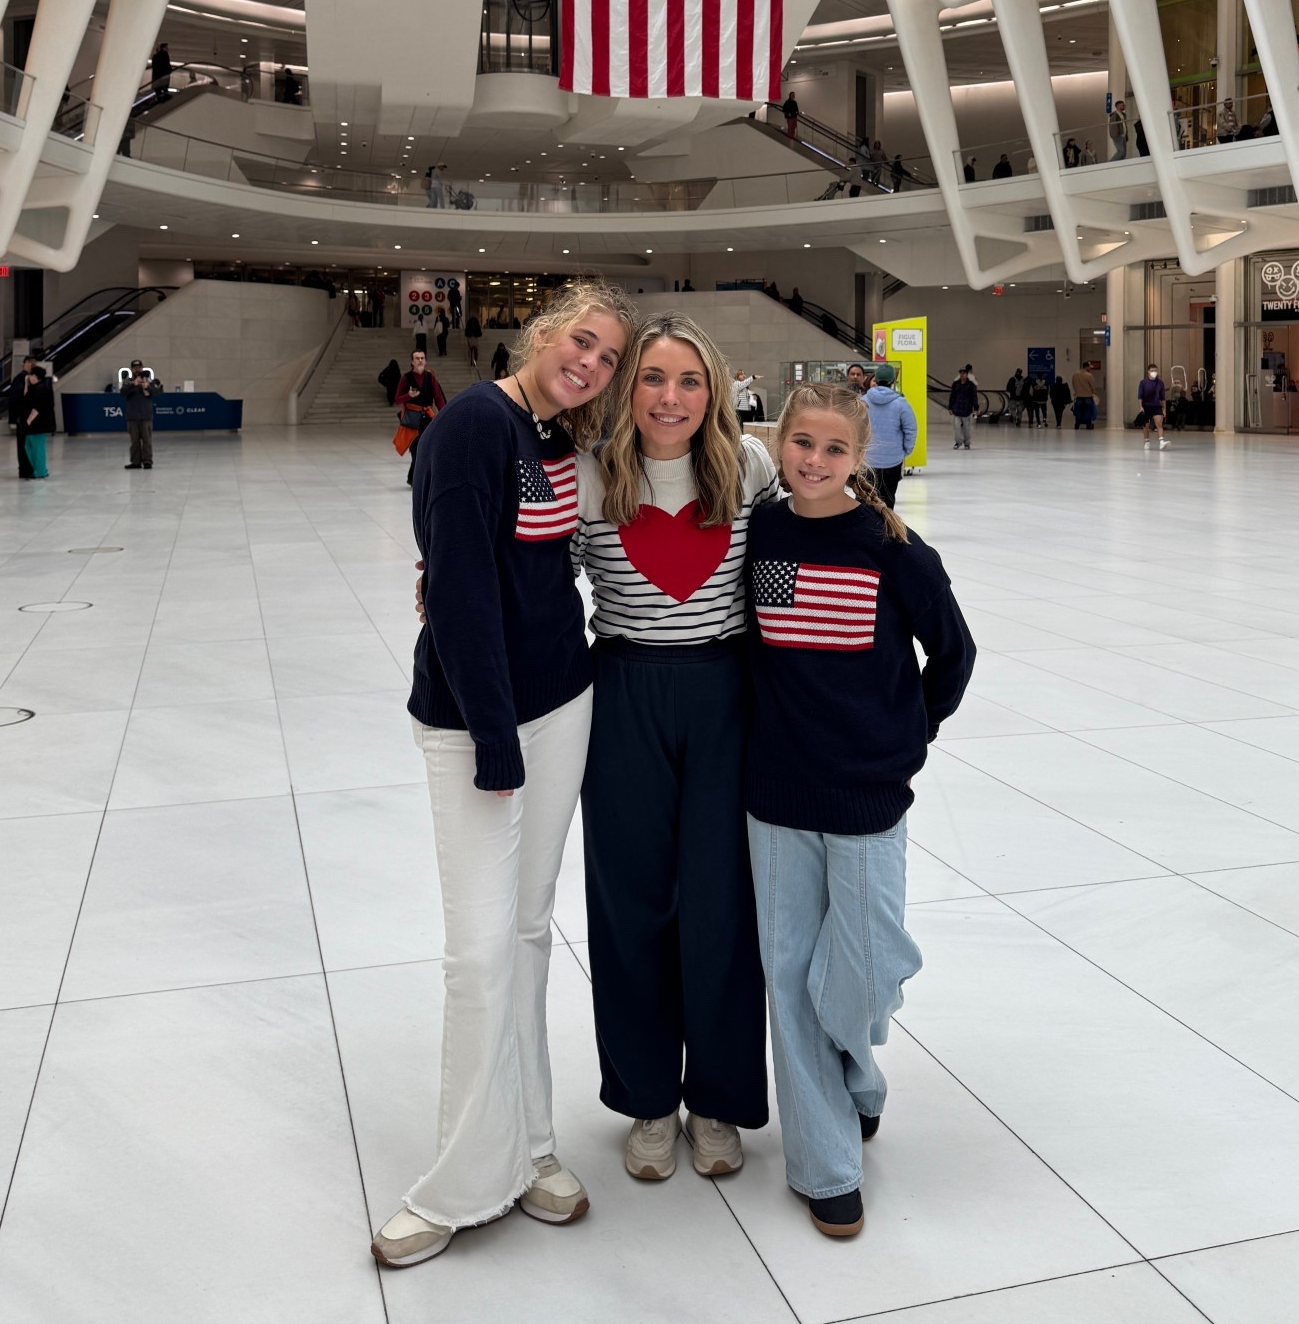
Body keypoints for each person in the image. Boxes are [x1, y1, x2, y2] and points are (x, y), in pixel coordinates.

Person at [373, 282, 636, 1271]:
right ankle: (458, 1180)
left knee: (527, 935)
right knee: (480, 951)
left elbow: (542, 569)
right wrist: (493, 736)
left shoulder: (556, 435)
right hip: (479, 721)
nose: (593, 365)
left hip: (564, 701)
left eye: (609, 357)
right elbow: (460, 591)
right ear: (543, 333)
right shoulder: (476, 425)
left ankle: (527, 1148)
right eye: (584, 342)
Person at [746, 384, 975, 1239]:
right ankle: (824, 1162)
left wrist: (911, 731)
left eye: (834, 449)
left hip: (868, 791)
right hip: (773, 792)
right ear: (781, 443)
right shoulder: (761, 532)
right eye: (801, 443)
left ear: (862, 456)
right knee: (789, 972)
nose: (813, 461)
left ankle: (856, 1071)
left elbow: (953, 651)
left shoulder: (892, 549)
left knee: (866, 959)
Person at [574, 315, 776, 1183]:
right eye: (652, 378)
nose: (670, 397)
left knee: (723, 901)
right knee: (629, 901)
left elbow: (810, 553)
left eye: (689, 380)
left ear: (716, 389)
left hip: (724, 693)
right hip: (624, 696)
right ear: (628, 390)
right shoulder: (590, 475)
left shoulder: (748, 468)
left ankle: (721, 1098)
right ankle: (648, 1097)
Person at [861, 364, 916, 508]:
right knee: (887, 499)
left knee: (864, 498)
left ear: (875, 379)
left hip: (867, 460)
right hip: (892, 460)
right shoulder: (901, 403)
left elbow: (853, 429)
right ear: (893, 381)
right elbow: (910, 429)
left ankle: (863, 529)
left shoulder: (863, 401)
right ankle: (886, 528)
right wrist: (906, 450)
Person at [396, 349, 447, 486]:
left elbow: (438, 397)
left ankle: (414, 478)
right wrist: (409, 396)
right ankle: (415, 479)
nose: (420, 361)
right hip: (412, 420)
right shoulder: (406, 378)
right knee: (415, 450)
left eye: (422, 358)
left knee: (427, 448)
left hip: (427, 418)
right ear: (412, 361)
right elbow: (397, 399)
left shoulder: (430, 378)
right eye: (417, 358)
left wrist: (443, 414)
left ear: (425, 361)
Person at [6, 356, 40, 480]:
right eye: (29, 362)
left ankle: (27, 468)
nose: (31, 364)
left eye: (33, 362)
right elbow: (17, 399)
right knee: (23, 444)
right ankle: (25, 469)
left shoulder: (31, 379)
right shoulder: (20, 379)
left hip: (27, 417)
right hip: (23, 417)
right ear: (24, 364)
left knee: (27, 444)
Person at [22, 365, 55, 478]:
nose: (29, 377)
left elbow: (37, 407)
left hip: (38, 424)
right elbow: (25, 397)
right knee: (29, 446)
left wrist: (29, 421)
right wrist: (26, 384)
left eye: (31, 375)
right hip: (35, 424)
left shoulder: (41, 389)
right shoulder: (36, 387)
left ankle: (41, 471)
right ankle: (38, 469)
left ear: (35, 376)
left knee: (37, 448)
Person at [122, 361, 156, 469]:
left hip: (146, 415)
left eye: (139, 367)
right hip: (132, 416)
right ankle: (136, 462)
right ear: (132, 369)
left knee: (147, 440)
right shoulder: (128, 381)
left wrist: (148, 387)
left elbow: (157, 392)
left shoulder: (149, 380)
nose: (137, 370)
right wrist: (133, 384)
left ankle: (147, 461)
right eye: (135, 368)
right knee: (134, 441)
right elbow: (123, 392)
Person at [947, 365, 977, 450]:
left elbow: (974, 397)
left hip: (967, 410)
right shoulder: (955, 384)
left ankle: (967, 443)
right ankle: (958, 442)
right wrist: (950, 407)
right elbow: (952, 396)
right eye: (961, 373)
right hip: (957, 409)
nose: (962, 375)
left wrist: (976, 408)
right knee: (956, 427)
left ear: (967, 374)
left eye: (964, 373)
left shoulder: (971, 385)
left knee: (966, 429)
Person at [1139, 364, 1169, 449]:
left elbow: (1162, 397)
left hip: (1156, 406)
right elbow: (1140, 396)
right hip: (1146, 406)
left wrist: (1164, 409)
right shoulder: (1143, 383)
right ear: (1148, 372)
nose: (1154, 372)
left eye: (1155, 370)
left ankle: (1161, 441)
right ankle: (1147, 441)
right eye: (1152, 370)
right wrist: (1141, 406)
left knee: (1159, 424)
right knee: (1146, 425)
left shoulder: (1160, 383)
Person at [1071, 363, 1098, 429]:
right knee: (1088, 412)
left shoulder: (1075, 375)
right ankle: (1088, 425)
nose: (1090, 368)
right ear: (1087, 367)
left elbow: (1073, 384)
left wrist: (1077, 392)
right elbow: (1093, 386)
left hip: (1078, 397)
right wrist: (1094, 392)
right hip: (1087, 397)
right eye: (1089, 367)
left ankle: (1077, 424)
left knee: (1078, 411)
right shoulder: (1089, 375)